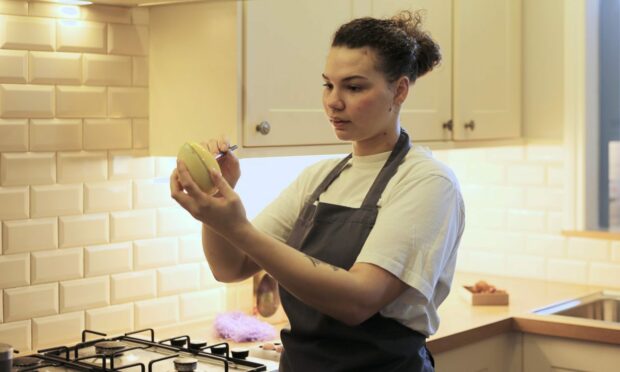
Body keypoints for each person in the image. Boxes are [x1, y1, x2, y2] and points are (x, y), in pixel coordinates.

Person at [171, 9, 465, 372]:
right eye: (328, 85)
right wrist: (216, 200)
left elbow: (358, 301)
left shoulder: (426, 182)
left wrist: (236, 226)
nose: (333, 101)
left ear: (399, 90)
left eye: (354, 87)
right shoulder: (320, 178)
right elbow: (230, 267)